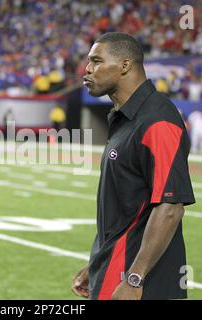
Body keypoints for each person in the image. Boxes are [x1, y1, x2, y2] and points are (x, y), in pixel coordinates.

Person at [72, 32, 195, 300]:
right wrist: (97, 266)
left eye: (96, 61)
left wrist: (135, 277)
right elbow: (126, 210)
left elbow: (171, 207)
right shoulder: (125, 118)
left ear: (125, 65)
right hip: (115, 269)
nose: (87, 69)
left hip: (138, 282)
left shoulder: (157, 120)